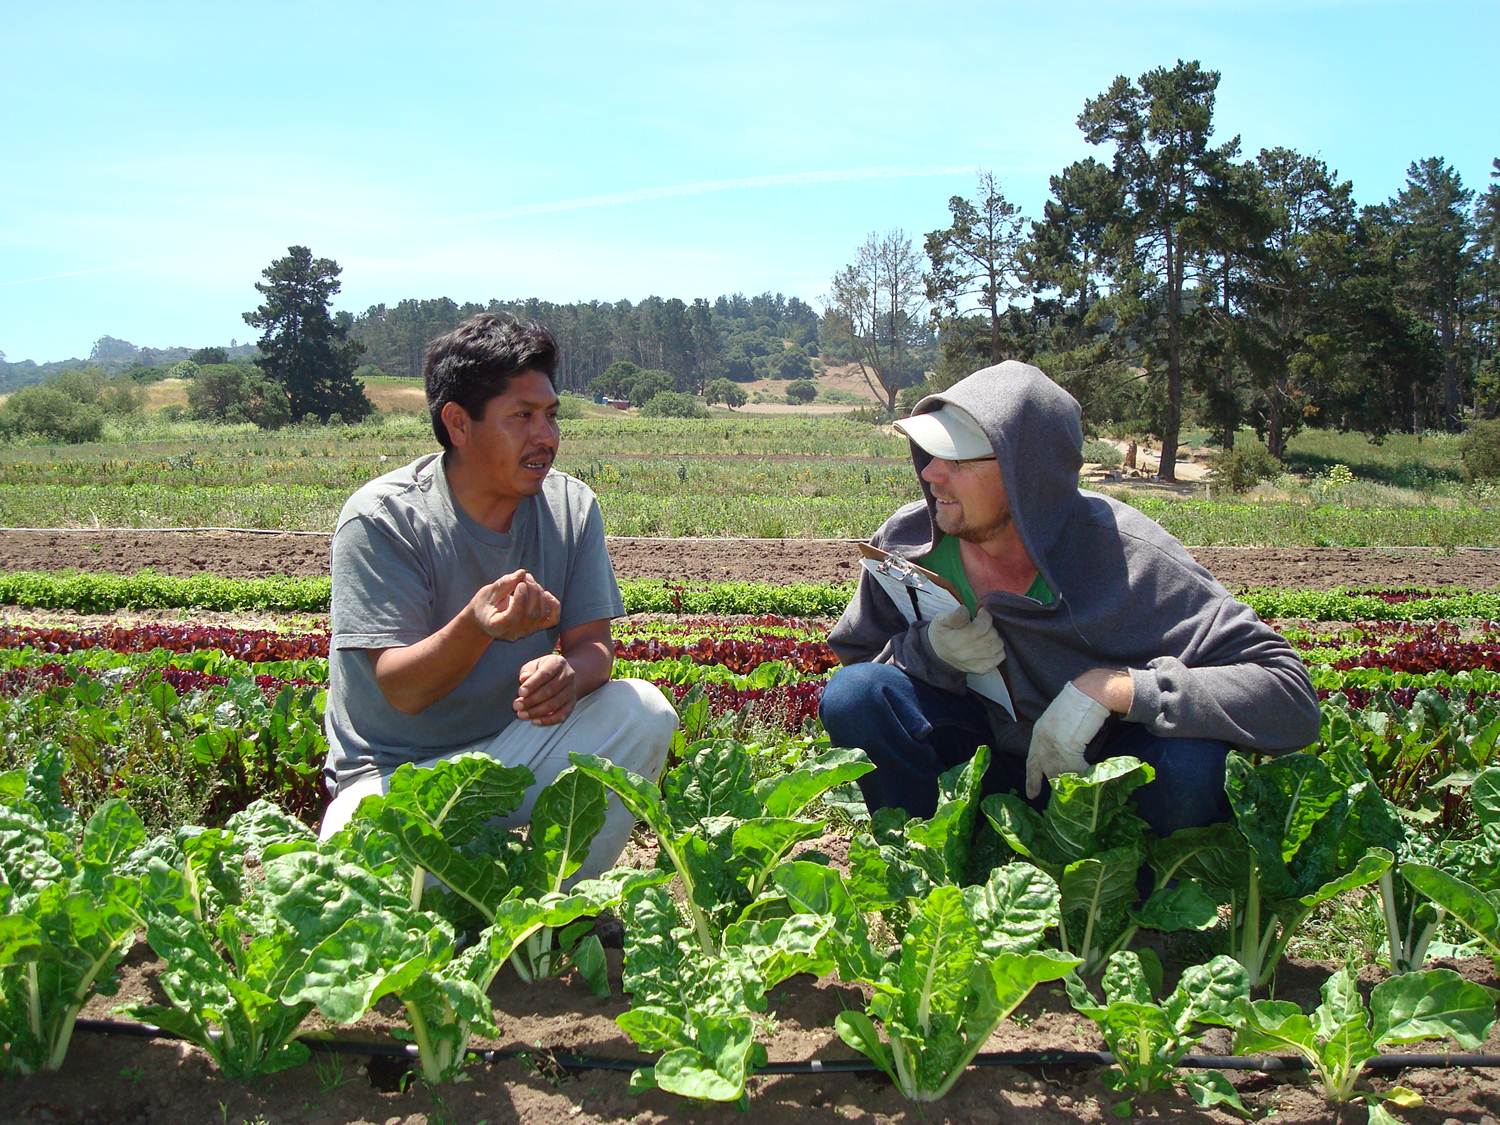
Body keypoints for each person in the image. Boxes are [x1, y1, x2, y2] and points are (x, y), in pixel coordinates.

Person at [820, 360, 1321, 835]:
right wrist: (928, 652)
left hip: (1096, 782)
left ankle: (1132, 906)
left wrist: (1117, 689)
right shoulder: (908, 541)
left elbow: (1288, 694)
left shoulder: (1131, 561)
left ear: (1026, 476)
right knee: (856, 696)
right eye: (930, 455)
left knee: (1192, 766)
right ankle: (934, 860)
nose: (931, 473)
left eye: (958, 459)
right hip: (978, 766)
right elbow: (863, 664)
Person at [318, 312, 677, 875]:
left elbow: (595, 647)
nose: (547, 437)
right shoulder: (381, 518)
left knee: (644, 713)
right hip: (402, 777)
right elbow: (402, 691)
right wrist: (479, 627)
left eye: (552, 416)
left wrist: (570, 676)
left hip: (514, 750)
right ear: (458, 424)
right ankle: (481, 894)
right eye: (523, 417)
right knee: (356, 879)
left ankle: (563, 905)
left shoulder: (570, 507)